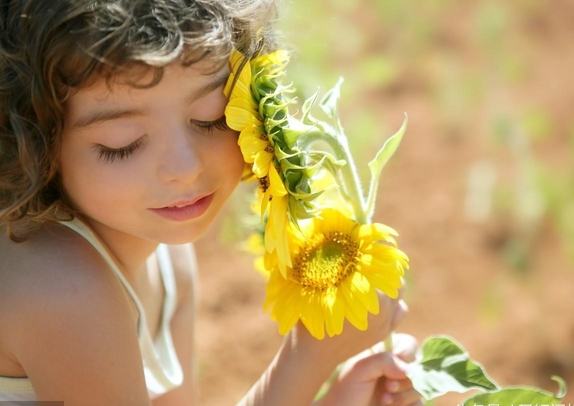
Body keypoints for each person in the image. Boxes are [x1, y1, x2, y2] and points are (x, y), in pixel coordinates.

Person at [0, 1, 422, 405]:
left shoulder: (171, 261)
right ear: (33, 147)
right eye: (123, 145)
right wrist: (308, 359)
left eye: (212, 117)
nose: (184, 167)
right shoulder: (60, 289)